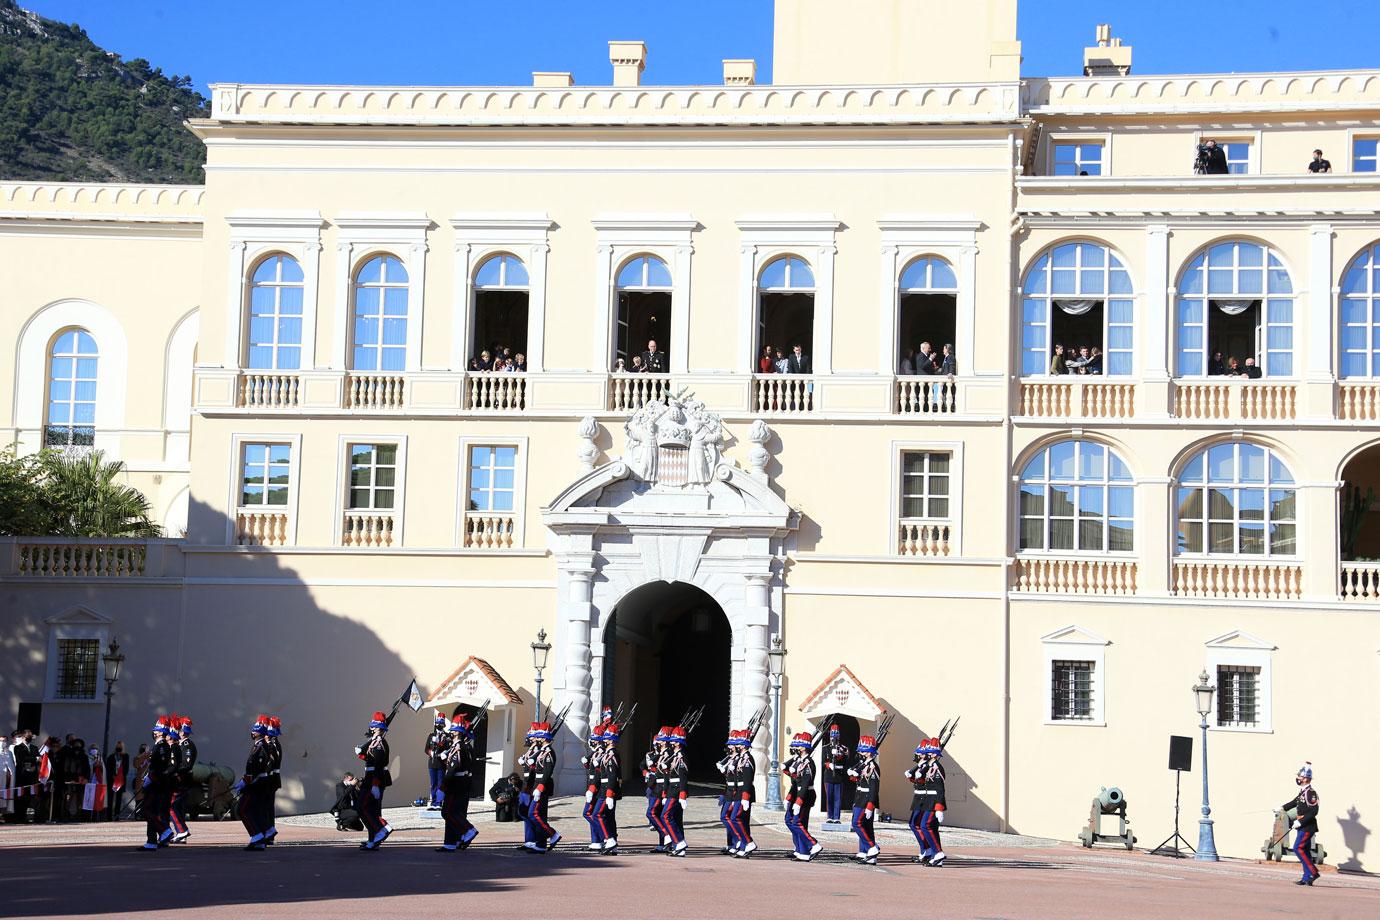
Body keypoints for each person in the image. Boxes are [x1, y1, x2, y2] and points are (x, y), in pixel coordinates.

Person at [436, 714, 479, 853]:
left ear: (457, 732)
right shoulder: (457, 746)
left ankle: (468, 830)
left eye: (453, 730)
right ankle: (450, 843)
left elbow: (453, 769)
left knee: (447, 812)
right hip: (458, 783)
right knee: (452, 812)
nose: (451, 732)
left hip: (455, 784)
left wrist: (443, 787)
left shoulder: (459, 747)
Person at [905, 737, 947, 867]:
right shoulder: (930, 766)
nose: (927, 754)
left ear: (935, 754)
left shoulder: (937, 767)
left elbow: (940, 789)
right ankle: (934, 854)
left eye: (930, 752)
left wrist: (939, 808)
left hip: (933, 801)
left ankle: (937, 853)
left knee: (926, 826)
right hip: (927, 800)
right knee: (925, 826)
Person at [520, 721, 560, 853]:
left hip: (542, 787)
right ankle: (541, 844)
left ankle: (552, 834)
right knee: (539, 815)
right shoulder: (542, 751)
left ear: (544, 738)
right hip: (537, 786)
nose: (536, 738)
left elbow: (547, 773)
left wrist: (540, 788)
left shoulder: (549, 752)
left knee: (534, 814)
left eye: (538, 736)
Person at [234, 715, 272, 851]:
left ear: (260, 733)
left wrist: (246, 782)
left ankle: (257, 836)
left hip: (256, 784)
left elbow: (256, 769)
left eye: (254, 731)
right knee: (253, 811)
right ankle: (259, 839)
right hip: (255, 783)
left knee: (242, 810)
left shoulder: (261, 747)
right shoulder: (258, 746)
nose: (252, 733)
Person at [358, 711, 394, 850]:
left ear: (378, 728)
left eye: (374, 726)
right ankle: (373, 841)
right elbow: (370, 759)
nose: (371, 728)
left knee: (362, 807)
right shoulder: (374, 742)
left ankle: (382, 829)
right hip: (371, 777)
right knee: (371, 810)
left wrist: (375, 785)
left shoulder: (379, 743)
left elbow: (378, 765)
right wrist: (361, 753)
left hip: (374, 779)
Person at [783, 732, 822, 861]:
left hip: (805, 796)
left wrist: (798, 802)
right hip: (797, 795)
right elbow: (792, 777)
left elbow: (804, 784)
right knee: (790, 821)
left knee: (798, 823)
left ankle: (812, 844)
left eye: (798, 747)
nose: (795, 749)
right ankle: (800, 849)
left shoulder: (808, 763)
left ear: (804, 748)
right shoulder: (799, 761)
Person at [139, 716, 175, 851]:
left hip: (157, 784)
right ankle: (151, 840)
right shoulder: (158, 745)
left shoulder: (162, 746)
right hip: (155, 782)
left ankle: (164, 830)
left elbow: (159, 766)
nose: (154, 732)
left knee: (147, 810)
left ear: (162, 732)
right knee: (151, 811)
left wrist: (151, 777)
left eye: (157, 731)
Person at [1284, 762, 1321, 886]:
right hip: (1303, 826)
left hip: (1307, 826)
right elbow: (1295, 802)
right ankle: (1306, 878)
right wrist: (1282, 808)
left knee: (1298, 848)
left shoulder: (1311, 793)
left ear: (1305, 778)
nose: (1298, 779)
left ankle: (1313, 872)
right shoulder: (1303, 792)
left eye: (1300, 777)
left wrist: (1300, 821)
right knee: (1304, 850)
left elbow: (1313, 811)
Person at [847, 735, 881, 865]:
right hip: (859, 797)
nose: (860, 753)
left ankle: (872, 847)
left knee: (857, 824)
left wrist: (870, 805)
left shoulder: (873, 767)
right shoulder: (863, 764)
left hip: (866, 800)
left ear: (869, 752)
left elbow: (873, 788)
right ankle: (865, 853)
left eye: (863, 751)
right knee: (866, 827)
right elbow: (860, 781)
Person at [659, 725, 690, 857]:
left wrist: (683, 795)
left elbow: (683, 778)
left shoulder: (681, 757)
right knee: (676, 819)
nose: (670, 743)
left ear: (678, 743)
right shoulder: (675, 756)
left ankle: (678, 841)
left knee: (665, 816)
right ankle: (678, 845)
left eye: (673, 741)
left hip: (676, 791)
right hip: (672, 789)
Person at [168, 716, 197, 843]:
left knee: (171, 805)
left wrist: (174, 771)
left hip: (182, 780)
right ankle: (181, 833)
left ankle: (181, 830)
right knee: (178, 807)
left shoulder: (187, 745)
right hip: (179, 779)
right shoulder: (180, 745)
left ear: (183, 732)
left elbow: (186, 764)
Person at [595, 722, 622, 853]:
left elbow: (612, 776)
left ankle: (609, 839)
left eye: (606, 738)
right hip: (605, 789)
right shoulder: (608, 754)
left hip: (607, 790)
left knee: (597, 814)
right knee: (609, 817)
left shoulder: (612, 755)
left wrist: (610, 794)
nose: (604, 740)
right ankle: (612, 843)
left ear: (611, 741)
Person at [581, 723, 606, 850]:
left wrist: (592, 789)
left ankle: (604, 836)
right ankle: (596, 840)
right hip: (592, 785)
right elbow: (591, 769)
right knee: (590, 813)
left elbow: (599, 773)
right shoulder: (596, 753)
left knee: (588, 813)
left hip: (597, 787)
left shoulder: (603, 754)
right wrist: (586, 763)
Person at [644, 729, 670, 851]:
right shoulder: (655, 755)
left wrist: (665, 793)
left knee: (653, 813)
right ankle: (663, 842)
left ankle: (667, 837)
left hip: (663, 790)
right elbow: (643, 765)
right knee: (657, 815)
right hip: (655, 787)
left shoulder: (669, 755)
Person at [822, 724, 849, 824]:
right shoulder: (825, 748)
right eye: (833, 736)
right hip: (829, 776)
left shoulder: (843, 748)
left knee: (838, 798)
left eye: (836, 735)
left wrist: (840, 755)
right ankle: (830, 816)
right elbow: (823, 762)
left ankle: (836, 817)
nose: (834, 738)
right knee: (829, 797)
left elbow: (846, 761)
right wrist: (829, 765)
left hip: (839, 776)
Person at [11, 729, 38, 824]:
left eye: (30, 738)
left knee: (30, 798)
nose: (28, 739)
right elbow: (21, 759)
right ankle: (19, 816)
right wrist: (35, 758)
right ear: (22, 737)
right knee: (20, 797)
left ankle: (27, 817)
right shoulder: (18, 748)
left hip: (32, 776)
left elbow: (39, 759)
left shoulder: (35, 748)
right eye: (27, 738)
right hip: (22, 776)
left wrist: (35, 760)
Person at [263, 716, 283, 844]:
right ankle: (269, 833)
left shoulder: (272, 745)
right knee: (267, 807)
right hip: (272, 780)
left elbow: (269, 764)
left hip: (269, 780)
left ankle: (269, 833)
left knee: (266, 808)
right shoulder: (274, 744)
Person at [425, 712, 448, 809]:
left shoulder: (446, 736)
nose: (439, 725)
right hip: (432, 763)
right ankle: (433, 802)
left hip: (441, 763)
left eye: (441, 724)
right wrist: (431, 752)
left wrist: (445, 753)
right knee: (433, 784)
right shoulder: (431, 736)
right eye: (438, 724)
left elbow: (449, 747)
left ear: (444, 725)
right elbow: (426, 749)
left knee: (440, 783)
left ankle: (439, 802)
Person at [82, 745, 107, 821]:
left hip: (98, 782)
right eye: (93, 749)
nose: (94, 750)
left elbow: (104, 771)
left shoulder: (100, 758)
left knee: (97, 800)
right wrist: (93, 766)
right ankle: (87, 817)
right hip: (90, 782)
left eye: (95, 749)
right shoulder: (87, 759)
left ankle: (96, 817)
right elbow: (86, 769)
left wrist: (100, 766)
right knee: (89, 799)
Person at [105, 741, 129, 821]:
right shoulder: (111, 757)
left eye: (120, 747)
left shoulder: (125, 756)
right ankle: (109, 816)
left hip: (120, 780)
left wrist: (120, 776)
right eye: (118, 746)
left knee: (118, 799)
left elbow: (126, 768)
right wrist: (113, 775)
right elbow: (108, 768)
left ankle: (116, 816)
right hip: (112, 780)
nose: (119, 748)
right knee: (110, 799)